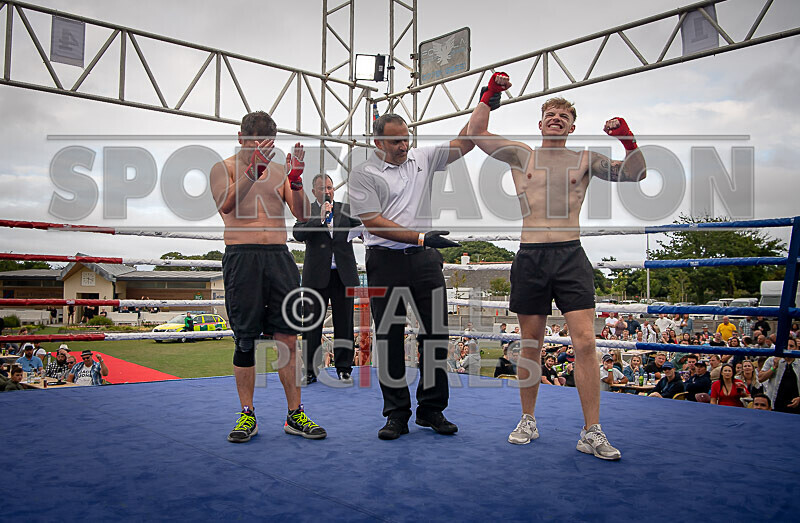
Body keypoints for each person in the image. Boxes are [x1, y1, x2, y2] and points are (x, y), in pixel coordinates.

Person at [468, 73, 645, 460]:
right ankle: (527, 419)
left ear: (572, 126)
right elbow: (477, 133)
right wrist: (491, 94)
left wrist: (627, 139)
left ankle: (592, 430)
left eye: (564, 115)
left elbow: (636, 174)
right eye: (551, 113)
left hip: (570, 255)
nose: (557, 118)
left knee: (585, 341)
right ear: (541, 121)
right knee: (531, 344)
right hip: (530, 255)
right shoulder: (520, 154)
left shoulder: (586, 160)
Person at [348, 110, 477, 440]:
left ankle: (431, 409)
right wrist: (421, 237)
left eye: (406, 138)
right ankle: (396, 413)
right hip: (384, 261)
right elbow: (374, 222)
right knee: (389, 338)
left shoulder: (423, 157)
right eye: (395, 141)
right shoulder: (363, 174)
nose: (404, 145)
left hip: (424, 261)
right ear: (378, 142)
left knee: (435, 335)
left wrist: (486, 100)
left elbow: (466, 141)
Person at [210, 110, 326, 443]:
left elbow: (302, 215)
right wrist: (253, 169)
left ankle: (295, 414)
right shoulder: (224, 168)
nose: (260, 150)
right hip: (241, 258)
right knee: (245, 339)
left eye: (266, 146)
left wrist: (296, 180)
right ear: (240, 138)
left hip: (279, 258)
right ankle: (247, 415)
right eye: (253, 144)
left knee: (288, 337)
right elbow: (227, 205)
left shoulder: (279, 171)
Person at [293, 173, 361, 384]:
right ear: (314, 192)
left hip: (343, 275)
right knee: (312, 325)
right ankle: (311, 370)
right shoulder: (308, 211)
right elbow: (298, 233)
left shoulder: (345, 209)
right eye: (323, 188)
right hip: (316, 277)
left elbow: (364, 226)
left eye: (330, 188)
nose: (328, 192)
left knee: (344, 323)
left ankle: (344, 369)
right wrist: (319, 219)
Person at [758, 338, 800, 414]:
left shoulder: (799, 363)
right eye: (786, 346)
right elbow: (760, 378)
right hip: (775, 404)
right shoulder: (772, 360)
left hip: (796, 406)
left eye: (791, 346)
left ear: (796, 348)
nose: (788, 349)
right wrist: (773, 368)